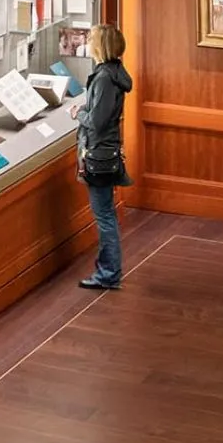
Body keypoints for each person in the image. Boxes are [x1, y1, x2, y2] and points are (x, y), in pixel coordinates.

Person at [77, 24, 132, 291]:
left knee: (105, 217)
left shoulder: (102, 79)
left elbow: (96, 123)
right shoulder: (114, 73)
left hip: (98, 155)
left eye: (91, 39)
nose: (87, 42)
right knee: (106, 214)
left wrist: (79, 113)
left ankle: (108, 273)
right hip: (107, 153)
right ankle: (108, 271)